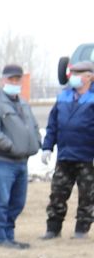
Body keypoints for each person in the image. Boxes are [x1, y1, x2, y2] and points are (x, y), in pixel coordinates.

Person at [0, 64, 40, 249]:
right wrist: (12, 147)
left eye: (17, 79)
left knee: (17, 202)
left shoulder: (23, 103)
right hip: (1, 161)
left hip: (22, 161)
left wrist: (36, 142)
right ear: (3, 80)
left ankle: (9, 236)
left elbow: (34, 126)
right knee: (1, 202)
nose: (14, 83)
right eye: (10, 79)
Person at [42, 60, 94, 239]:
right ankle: (53, 229)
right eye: (72, 74)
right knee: (57, 193)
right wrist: (47, 147)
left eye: (78, 74)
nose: (73, 77)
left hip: (87, 157)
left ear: (89, 77)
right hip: (64, 156)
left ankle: (81, 230)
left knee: (87, 196)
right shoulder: (63, 97)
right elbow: (52, 125)